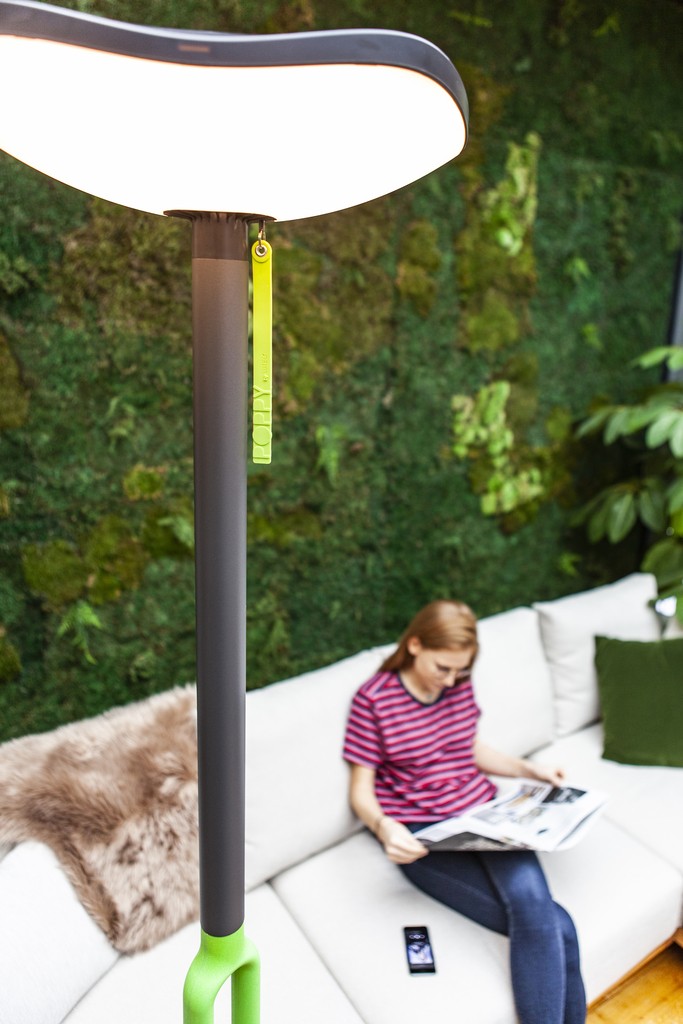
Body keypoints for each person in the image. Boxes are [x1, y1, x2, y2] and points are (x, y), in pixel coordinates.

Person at [343, 599, 586, 1024]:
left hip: (485, 815)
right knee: (557, 926)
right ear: (415, 645)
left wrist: (528, 769)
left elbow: (465, 747)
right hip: (426, 836)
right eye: (443, 668)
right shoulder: (374, 700)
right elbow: (360, 790)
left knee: (535, 906)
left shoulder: (457, 682)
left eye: (461, 670)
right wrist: (384, 827)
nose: (451, 680)